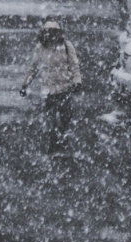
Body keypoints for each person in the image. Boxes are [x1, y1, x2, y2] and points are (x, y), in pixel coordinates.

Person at [19, 20, 83, 154]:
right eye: (49, 33)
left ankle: (62, 139)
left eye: (54, 32)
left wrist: (77, 81)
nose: (51, 36)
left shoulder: (66, 46)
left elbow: (74, 65)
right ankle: (54, 144)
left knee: (65, 117)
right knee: (52, 119)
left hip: (65, 88)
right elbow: (33, 68)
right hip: (48, 90)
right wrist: (25, 84)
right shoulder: (40, 48)